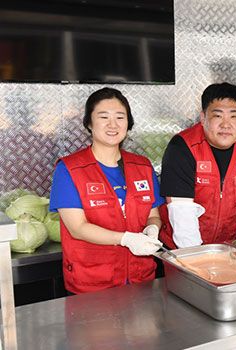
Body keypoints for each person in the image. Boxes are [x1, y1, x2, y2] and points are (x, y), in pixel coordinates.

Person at [49, 88, 164, 294]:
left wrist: (152, 228)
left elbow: (153, 214)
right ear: (89, 123)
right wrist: (125, 239)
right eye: (104, 117)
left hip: (142, 279)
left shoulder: (143, 166)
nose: (113, 124)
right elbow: (78, 227)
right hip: (92, 284)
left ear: (128, 123)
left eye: (120, 117)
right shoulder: (69, 169)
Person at [159, 82, 236, 249]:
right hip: (182, 249)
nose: (226, 124)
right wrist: (197, 261)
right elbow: (182, 213)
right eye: (218, 116)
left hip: (225, 246)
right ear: (203, 118)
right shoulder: (182, 147)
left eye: (233, 116)